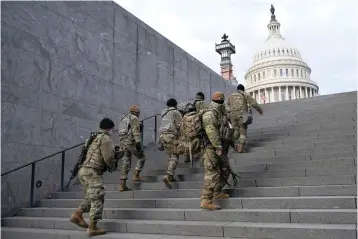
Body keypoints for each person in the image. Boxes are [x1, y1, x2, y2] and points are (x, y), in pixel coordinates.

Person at [70, 118, 117, 237]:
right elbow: (108, 158)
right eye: (113, 129)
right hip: (92, 171)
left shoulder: (92, 137)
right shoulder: (105, 138)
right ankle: (92, 227)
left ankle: (77, 214)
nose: (113, 131)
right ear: (109, 128)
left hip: (83, 170)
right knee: (97, 196)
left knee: (90, 197)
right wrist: (112, 167)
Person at [200, 92, 232, 210]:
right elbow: (211, 131)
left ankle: (217, 192)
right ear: (219, 100)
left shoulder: (220, 114)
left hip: (219, 147)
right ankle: (205, 200)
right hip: (210, 148)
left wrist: (232, 143)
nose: (223, 102)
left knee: (225, 169)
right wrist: (217, 146)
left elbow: (225, 131)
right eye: (222, 100)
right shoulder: (210, 114)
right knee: (211, 174)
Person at [159, 98, 187, 189]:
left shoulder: (164, 113)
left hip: (162, 136)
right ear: (175, 105)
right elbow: (180, 126)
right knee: (175, 155)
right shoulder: (175, 112)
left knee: (171, 155)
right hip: (171, 136)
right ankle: (168, 176)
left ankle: (171, 176)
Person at [226, 84, 263, 153]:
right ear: (243, 89)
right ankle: (241, 148)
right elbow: (253, 103)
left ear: (237, 89)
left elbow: (226, 105)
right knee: (243, 132)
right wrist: (260, 110)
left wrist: (229, 113)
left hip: (233, 116)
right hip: (242, 115)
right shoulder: (245, 94)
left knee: (236, 131)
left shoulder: (231, 95)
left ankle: (231, 142)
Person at [117, 105, 146, 192]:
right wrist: (138, 142)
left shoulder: (124, 118)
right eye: (139, 113)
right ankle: (136, 175)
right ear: (137, 112)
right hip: (130, 142)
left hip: (122, 142)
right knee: (142, 157)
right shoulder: (134, 118)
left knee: (126, 162)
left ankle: (122, 185)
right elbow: (135, 130)